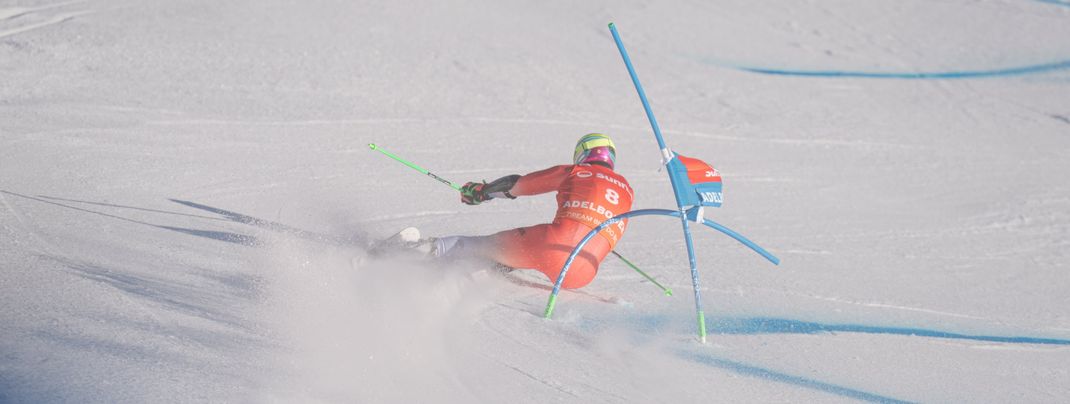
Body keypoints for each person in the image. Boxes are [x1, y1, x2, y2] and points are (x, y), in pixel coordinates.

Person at [426, 133, 634, 289]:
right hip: (583, 273)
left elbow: (519, 185)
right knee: (525, 256)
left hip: (549, 244)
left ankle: (418, 251)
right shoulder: (627, 190)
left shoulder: (577, 171)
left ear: (583, 152)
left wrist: (481, 192)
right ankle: (487, 269)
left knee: (480, 245)